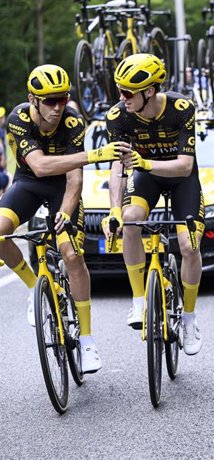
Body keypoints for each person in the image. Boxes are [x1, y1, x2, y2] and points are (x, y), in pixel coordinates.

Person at [1, 65, 124, 373]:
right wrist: (95, 154)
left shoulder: (72, 121)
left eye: (63, 99)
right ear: (33, 99)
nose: (58, 107)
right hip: (29, 182)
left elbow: (74, 180)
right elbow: (40, 167)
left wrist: (66, 213)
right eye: (50, 100)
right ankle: (34, 288)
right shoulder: (18, 119)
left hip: (63, 190)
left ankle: (86, 339)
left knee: (71, 253)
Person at [103, 53, 205, 356]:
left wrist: (145, 161)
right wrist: (114, 211)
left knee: (189, 246)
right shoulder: (118, 116)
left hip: (180, 178)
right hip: (146, 177)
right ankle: (138, 301)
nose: (122, 98)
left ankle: (189, 318)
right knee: (131, 219)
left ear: (150, 91)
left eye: (127, 93)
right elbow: (118, 167)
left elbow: (185, 166)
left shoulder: (181, 109)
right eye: (119, 90)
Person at [0, 107, 10, 193]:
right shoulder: (1, 132)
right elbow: (2, 148)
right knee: (5, 179)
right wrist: (4, 159)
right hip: (1, 164)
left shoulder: (2, 131)